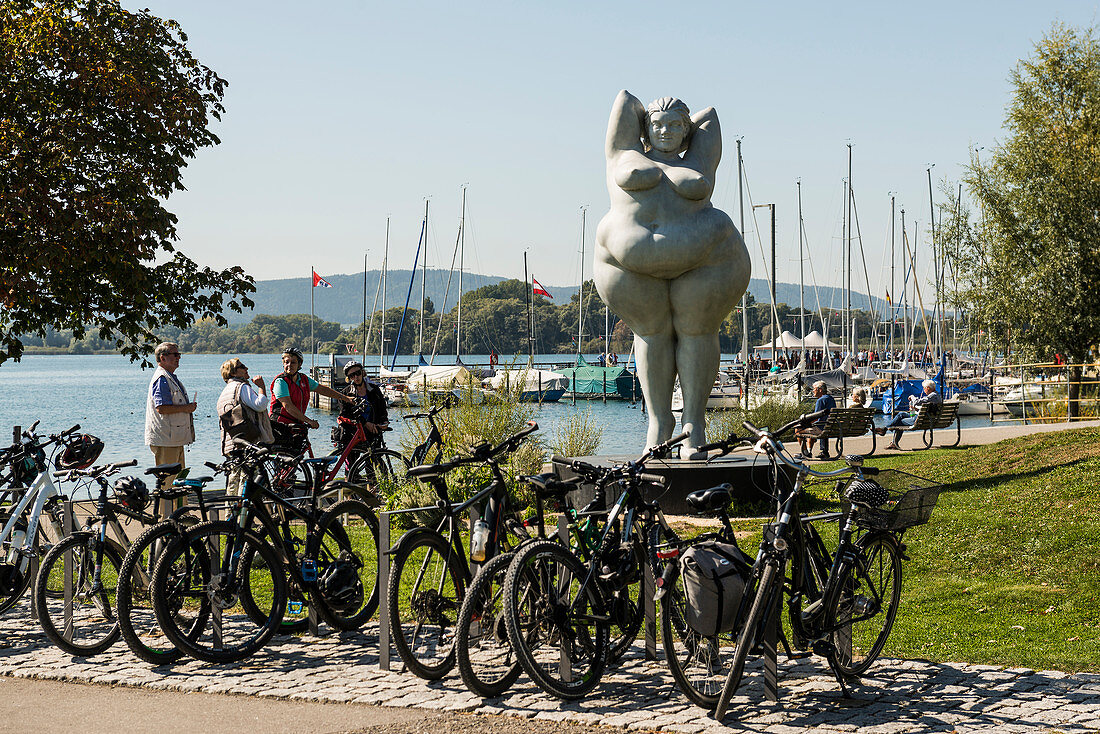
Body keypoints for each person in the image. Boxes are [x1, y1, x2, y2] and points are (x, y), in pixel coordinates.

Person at [594, 91, 751, 452]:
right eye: (658, 124)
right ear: (645, 128)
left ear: (687, 131)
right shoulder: (622, 152)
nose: (666, 131)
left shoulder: (699, 159)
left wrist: (693, 122)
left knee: (697, 332)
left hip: (709, 259)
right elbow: (623, 101)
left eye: (676, 125)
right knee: (651, 334)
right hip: (628, 265)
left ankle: (694, 422)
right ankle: (659, 421)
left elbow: (711, 117)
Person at [268, 346, 354, 452]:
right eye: (286, 362)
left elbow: (323, 390)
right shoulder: (281, 382)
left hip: (295, 426)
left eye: (293, 362)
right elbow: (288, 406)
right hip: (280, 426)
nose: (289, 365)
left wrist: (345, 398)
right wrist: (308, 420)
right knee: (286, 461)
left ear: (299, 364)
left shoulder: (303, 379)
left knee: (296, 459)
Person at [144, 342, 195, 498]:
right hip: (166, 439)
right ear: (163, 358)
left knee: (178, 482)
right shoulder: (162, 379)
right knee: (168, 483)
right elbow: (161, 408)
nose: (179, 357)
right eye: (175, 354)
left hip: (173, 438)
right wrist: (186, 408)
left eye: (179, 354)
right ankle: (167, 518)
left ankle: (178, 516)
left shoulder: (169, 377)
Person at [217, 358, 274, 495]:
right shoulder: (241, 387)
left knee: (233, 481)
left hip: (232, 442)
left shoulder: (225, 391)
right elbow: (260, 405)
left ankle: (231, 513)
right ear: (234, 372)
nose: (246, 368)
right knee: (246, 480)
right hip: (247, 441)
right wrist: (261, 387)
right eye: (242, 366)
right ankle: (244, 512)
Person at [336, 360, 389, 451]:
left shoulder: (374, 390)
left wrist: (384, 422)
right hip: (353, 434)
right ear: (349, 378)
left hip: (373, 432)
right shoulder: (345, 394)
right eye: (352, 375)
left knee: (376, 462)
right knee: (352, 464)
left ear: (363, 373)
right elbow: (345, 415)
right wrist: (365, 423)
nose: (356, 377)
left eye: (358, 373)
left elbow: (382, 410)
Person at [876, 379, 941, 450]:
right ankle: (884, 429)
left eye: (924, 388)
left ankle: (889, 437)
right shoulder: (937, 395)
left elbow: (917, 402)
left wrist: (912, 396)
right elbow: (927, 409)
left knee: (899, 422)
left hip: (918, 420)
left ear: (928, 388)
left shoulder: (932, 396)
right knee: (901, 414)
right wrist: (915, 410)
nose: (923, 390)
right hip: (924, 418)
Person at [796, 381, 837, 459]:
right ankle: (810, 451)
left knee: (798, 430)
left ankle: (805, 453)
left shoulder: (821, 400)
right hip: (830, 427)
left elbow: (816, 417)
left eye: (814, 389)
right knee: (810, 428)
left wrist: (804, 421)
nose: (813, 391)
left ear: (820, 390)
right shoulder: (831, 399)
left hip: (821, 428)